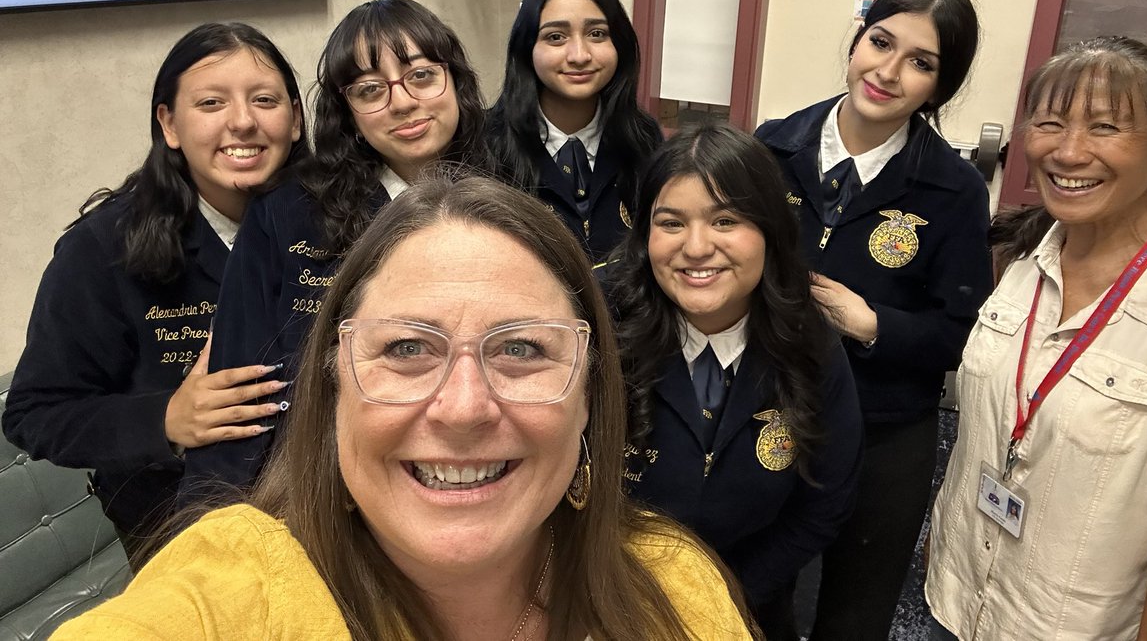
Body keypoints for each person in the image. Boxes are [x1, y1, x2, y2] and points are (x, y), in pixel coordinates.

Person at [53, 175, 757, 641]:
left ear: (589, 400)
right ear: (331, 391)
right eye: (406, 350)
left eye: (521, 350)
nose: (462, 408)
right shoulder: (234, 588)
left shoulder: (674, 589)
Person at [926, 36, 1147, 640]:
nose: (1070, 151)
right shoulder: (1019, 258)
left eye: (1105, 128)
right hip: (958, 596)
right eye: (1049, 123)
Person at [3, 23, 306, 564]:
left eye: (265, 100)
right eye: (211, 102)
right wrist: (167, 419)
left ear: (296, 120)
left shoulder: (331, 221)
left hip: (318, 507)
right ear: (169, 123)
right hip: (183, 534)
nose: (242, 121)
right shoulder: (102, 250)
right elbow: (34, 412)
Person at [754, 0, 993, 640]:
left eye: (920, 62)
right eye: (880, 42)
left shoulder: (955, 189)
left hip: (885, 429)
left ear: (939, 89)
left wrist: (873, 325)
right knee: (754, 591)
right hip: (768, 406)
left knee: (856, 612)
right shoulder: (771, 149)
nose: (887, 72)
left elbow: (959, 336)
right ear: (858, 39)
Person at [179, 0, 490, 501]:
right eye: (370, 90)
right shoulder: (285, 214)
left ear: (455, 81)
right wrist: (214, 525)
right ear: (347, 113)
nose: (404, 102)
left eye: (423, 76)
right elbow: (240, 395)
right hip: (320, 484)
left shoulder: (512, 197)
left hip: (469, 462)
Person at [607, 122, 863, 640]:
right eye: (671, 223)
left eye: (726, 220)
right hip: (610, 590)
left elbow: (826, 501)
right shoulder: (602, 325)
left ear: (769, 230)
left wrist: (721, 597)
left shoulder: (809, 342)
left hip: (748, 594)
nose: (697, 247)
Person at [485, 0, 661, 263]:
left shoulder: (644, 139)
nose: (579, 55)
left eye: (597, 33)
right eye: (556, 37)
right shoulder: (485, 142)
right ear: (527, 47)